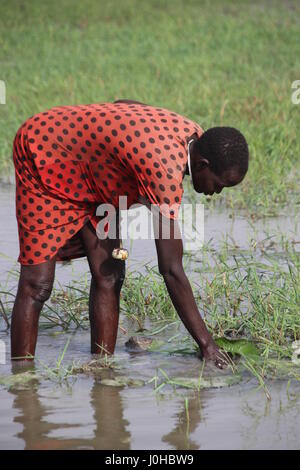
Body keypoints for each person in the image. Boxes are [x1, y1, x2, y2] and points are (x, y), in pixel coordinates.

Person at [11, 99, 249, 368]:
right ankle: (22, 383)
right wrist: (207, 345)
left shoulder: (195, 135)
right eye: (220, 185)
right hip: (44, 151)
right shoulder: (164, 167)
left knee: (110, 272)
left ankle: (102, 370)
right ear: (203, 164)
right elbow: (171, 269)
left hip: (95, 172)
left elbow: (126, 105)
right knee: (37, 284)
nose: (217, 193)